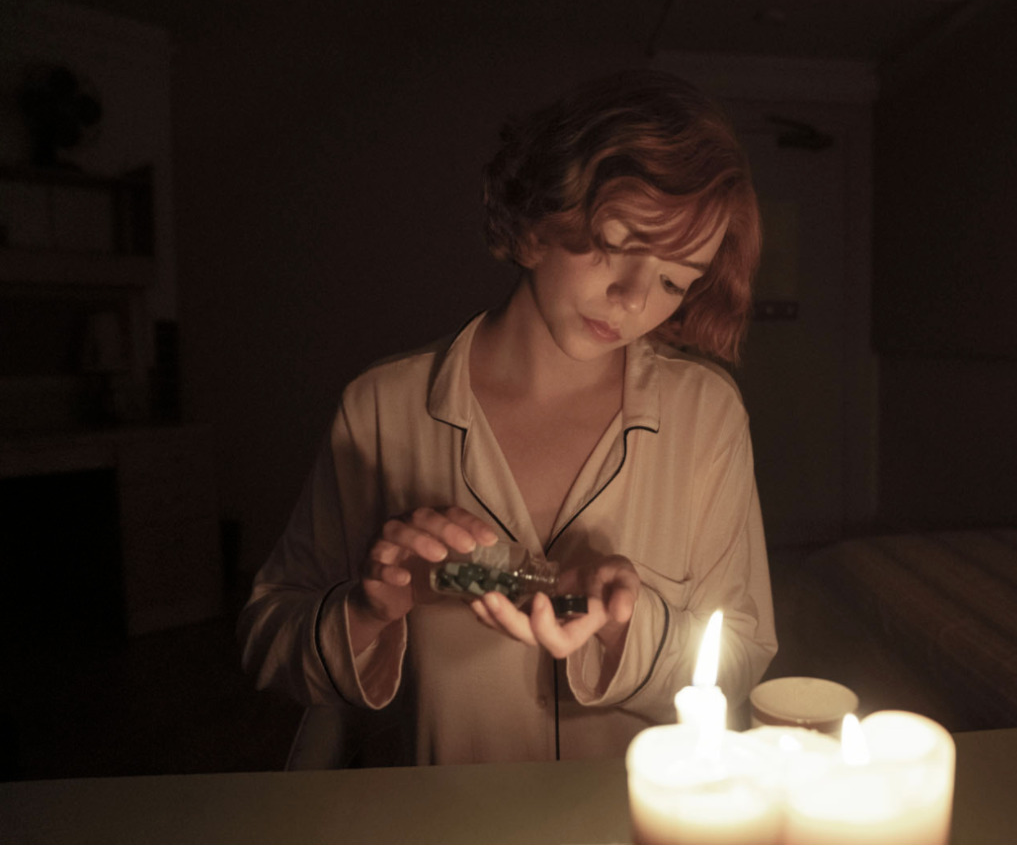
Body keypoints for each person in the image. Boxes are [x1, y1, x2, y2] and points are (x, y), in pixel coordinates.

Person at [238, 69, 777, 766]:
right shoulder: (381, 407)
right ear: (535, 224)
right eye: (616, 245)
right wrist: (370, 611)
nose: (634, 298)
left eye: (676, 280)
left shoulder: (706, 416)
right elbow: (266, 638)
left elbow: (741, 657)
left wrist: (621, 627)